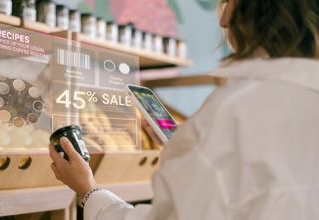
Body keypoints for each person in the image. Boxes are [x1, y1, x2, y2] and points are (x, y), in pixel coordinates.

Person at [49, 0, 319, 219]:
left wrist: (88, 190)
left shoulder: (232, 111)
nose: (223, 19)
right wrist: (192, 150)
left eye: (227, 2)